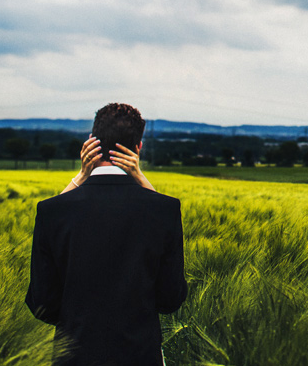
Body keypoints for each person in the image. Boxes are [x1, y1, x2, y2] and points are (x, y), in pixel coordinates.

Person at [26, 103, 187, 366]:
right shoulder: (164, 211)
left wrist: (79, 176)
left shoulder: (51, 211)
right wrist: (144, 181)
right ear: (138, 148)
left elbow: (42, 303)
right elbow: (171, 299)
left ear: (91, 143)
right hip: (140, 357)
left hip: (74, 359)